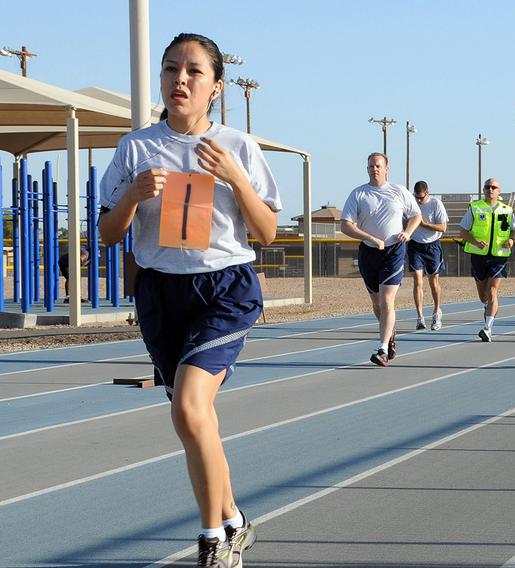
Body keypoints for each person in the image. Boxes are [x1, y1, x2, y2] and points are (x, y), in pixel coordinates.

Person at [98, 33, 278, 566]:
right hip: (160, 291)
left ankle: (212, 539)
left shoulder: (239, 146)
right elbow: (109, 234)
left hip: (223, 288)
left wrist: (235, 178)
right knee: (195, 418)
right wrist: (132, 196)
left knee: (189, 406)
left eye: (194, 71)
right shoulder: (136, 147)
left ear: (215, 87)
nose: (180, 79)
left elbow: (266, 232)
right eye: (171, 68)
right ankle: (235, 519)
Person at [341, 153, 422, 366]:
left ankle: (383, 349)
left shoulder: (399, 191)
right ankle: (390, 334)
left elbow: (416, 215)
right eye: (370, 166)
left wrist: (408, 232)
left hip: (394, 251)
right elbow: (345, 225)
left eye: (378, 166)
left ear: (386, 168)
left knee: (387, 301)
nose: (374, 169)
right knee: (376, 304)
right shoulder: (358, 194)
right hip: (368, 252)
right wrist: (369, 237)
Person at [459, 178, 515, 342]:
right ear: (484, 190)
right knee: (483, 296)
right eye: (487, 187)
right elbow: (463, 231)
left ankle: (488, 328)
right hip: (478, 256)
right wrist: (476, 242)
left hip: (499, 256)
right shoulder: (475, 208)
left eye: (494, 187)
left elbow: (514, 231)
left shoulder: (507, 210)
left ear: (499, 191)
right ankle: (487, 306)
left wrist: (512, 241)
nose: (490, 189)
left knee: (493, 290)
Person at [408, 181, 448, 331]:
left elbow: (443, 227)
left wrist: (423, 224)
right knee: (418, 280)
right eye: (416, 197)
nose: (418, 200)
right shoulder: (412, 204)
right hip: (415, 245)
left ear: (427, 193)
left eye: (420, 197)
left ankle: (437, 312)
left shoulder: (436, 204)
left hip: (432, 246)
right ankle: (419, 317)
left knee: (433, 281)